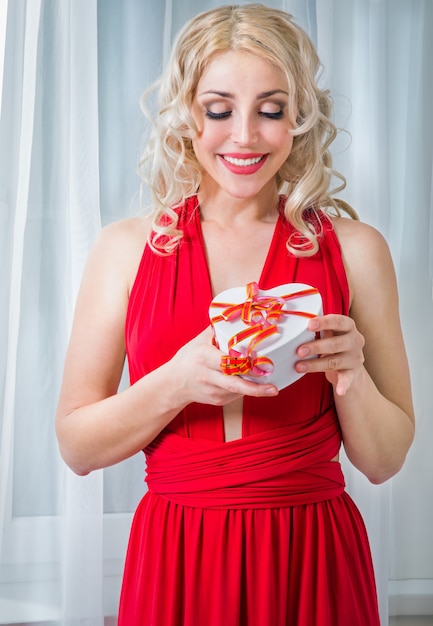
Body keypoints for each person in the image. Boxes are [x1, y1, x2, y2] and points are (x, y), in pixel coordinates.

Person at [55, 4, 415, 625]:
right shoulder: (125, 250)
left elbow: (384, 463)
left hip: (313, 555)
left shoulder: (357, 250)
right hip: (176, 552)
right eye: (219, 110)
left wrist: (351, 376)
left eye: (270, 111)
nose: (244, 136)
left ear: (300, 119)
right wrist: (174, 382)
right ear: (185, 115)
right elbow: (76, 447)